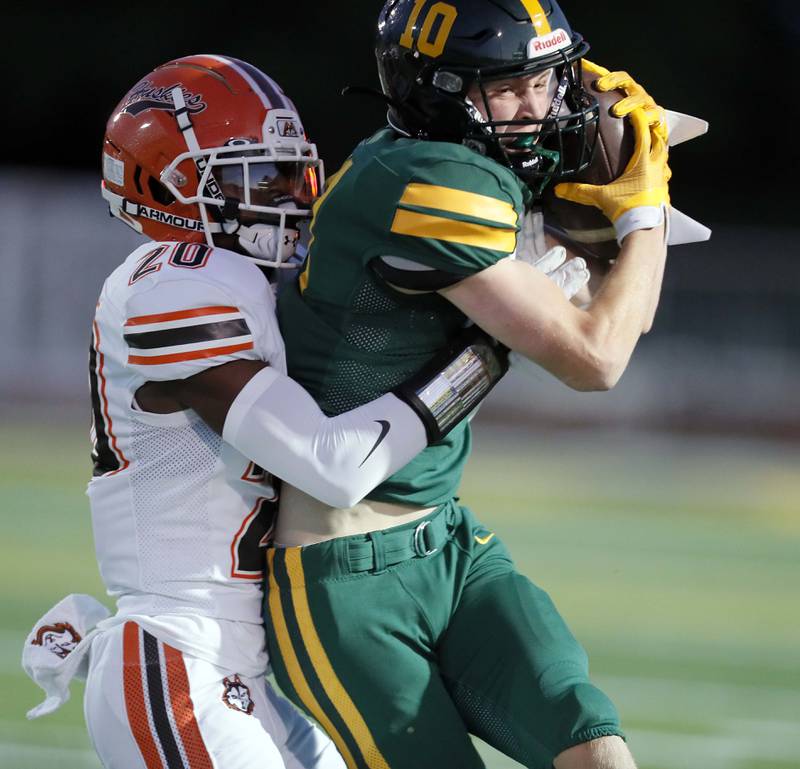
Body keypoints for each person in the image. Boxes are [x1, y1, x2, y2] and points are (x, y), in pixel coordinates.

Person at [23, 53, 547, 769]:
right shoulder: (172, 285)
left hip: (253, 667)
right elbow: (336, 465)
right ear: (167, 186)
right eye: (258, 178)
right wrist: (485, 353)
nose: (291, 198)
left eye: (293, 174)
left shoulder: (243, 279)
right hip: (182, 656)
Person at [264, 1, 674, 768]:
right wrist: (643, 211)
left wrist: (621, 224)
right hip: (342, 576)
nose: (536, 108)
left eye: (545, 83)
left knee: (597, 751)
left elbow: (617, 316)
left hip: (448, 541)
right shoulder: (423, 181)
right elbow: (599, 357)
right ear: (439, 91)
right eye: (508, 87)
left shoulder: (450, 169)